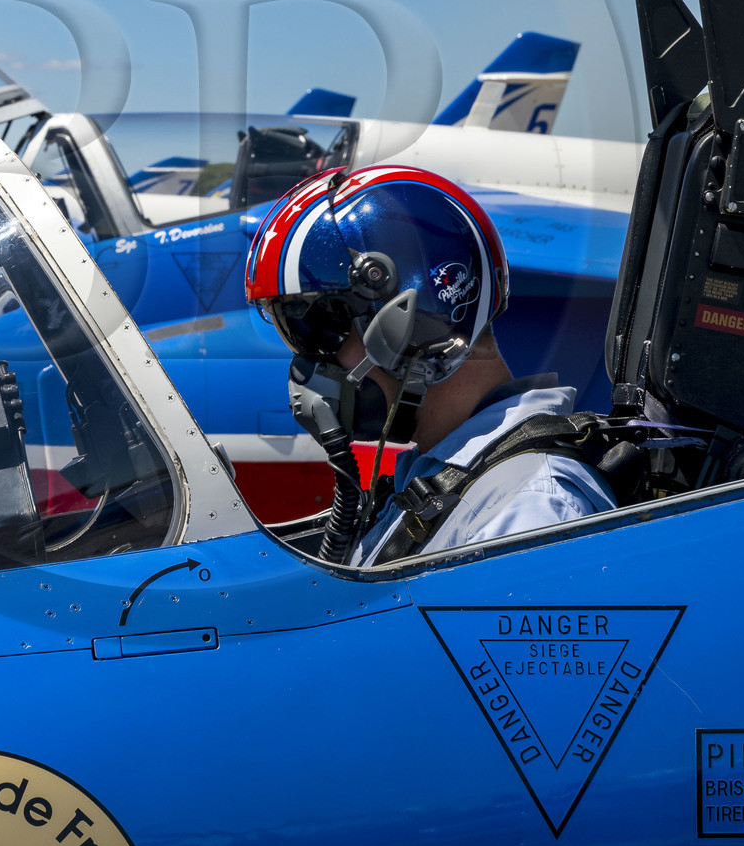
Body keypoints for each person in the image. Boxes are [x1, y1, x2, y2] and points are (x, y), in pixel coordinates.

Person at [245, 164, 614, 561]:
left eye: (318, 330)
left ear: (410, 325)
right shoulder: (446, 484)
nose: (308, 365)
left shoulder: (526, 511)